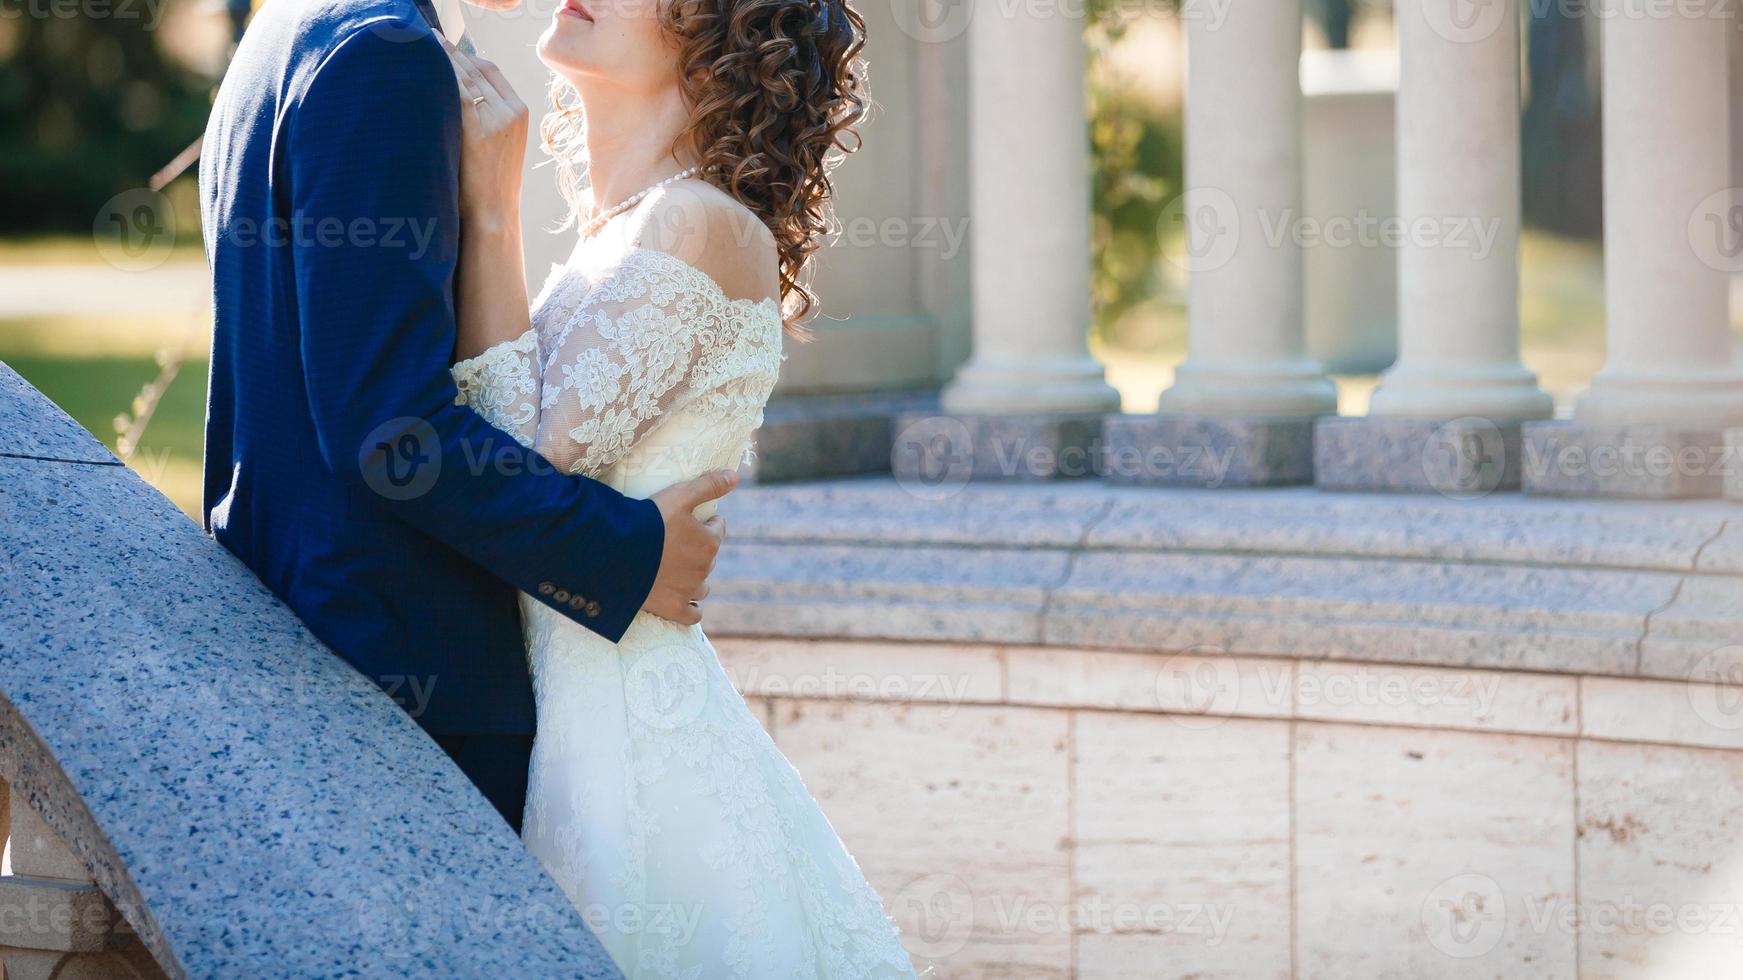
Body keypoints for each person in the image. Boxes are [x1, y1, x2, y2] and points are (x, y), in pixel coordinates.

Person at [437, 0, 918, 970]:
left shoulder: (697, 225)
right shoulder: (617, 237)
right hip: (575, 732)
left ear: (727, 37)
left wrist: (489, 211)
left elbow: (514, 471)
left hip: (632, 770)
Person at [199, 0, 734, 834]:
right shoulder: (389, 58)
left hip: (309, 639)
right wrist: (626, 552)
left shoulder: (294, 26)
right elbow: (390, 433)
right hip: (403, 684)